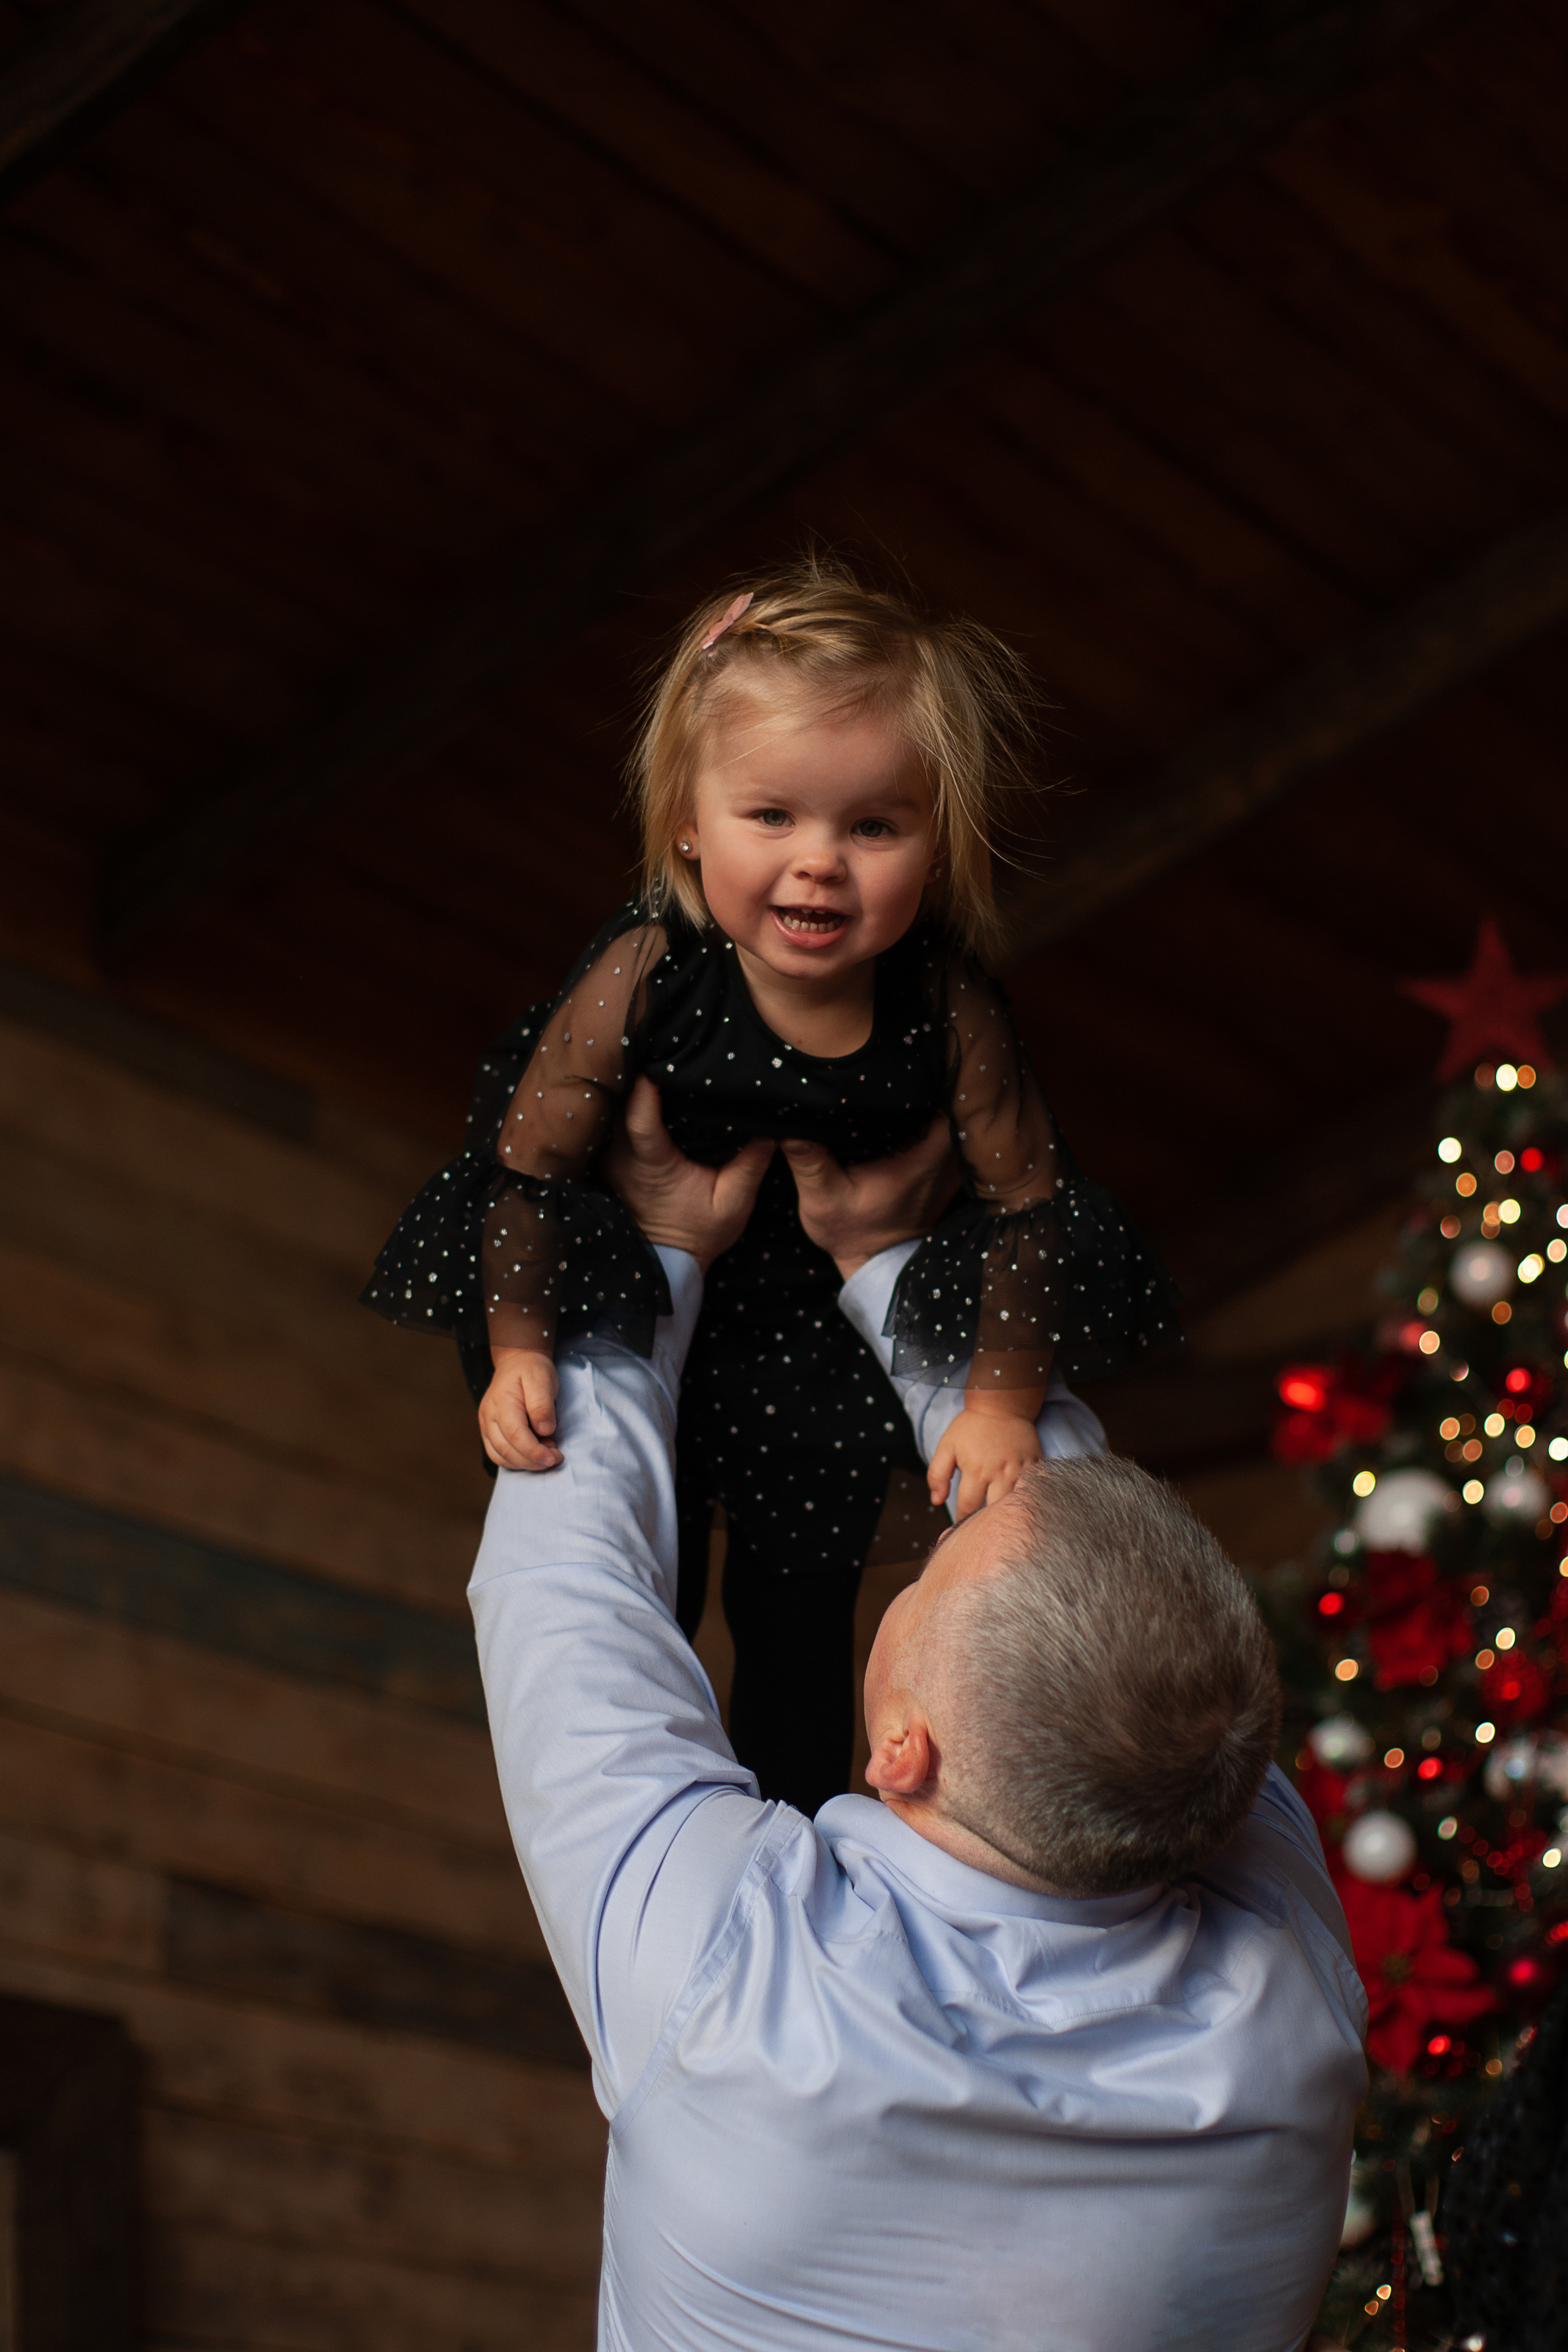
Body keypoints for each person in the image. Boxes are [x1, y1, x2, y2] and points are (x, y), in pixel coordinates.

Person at [468, 1080, 1368, 2350]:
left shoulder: (733, 1981)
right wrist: (893, 1267)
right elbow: (1102, 1568)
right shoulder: (1283, 2014)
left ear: (904, 1750)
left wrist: (662, 1246)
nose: (922, 1548)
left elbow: (566, 1588)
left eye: (931, 1569)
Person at [365, 556, 1178, 1814]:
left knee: (798, 1616)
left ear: (934, 841)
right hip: (647, 1291)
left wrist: (1004, 1402)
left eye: (871, 826)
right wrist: (521, 1342)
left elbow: (1028, 1206)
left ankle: (796, 1832)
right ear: (688, 819)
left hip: (824, 1349)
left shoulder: (950, 1006)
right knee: (646, 1574)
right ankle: (667, 1820)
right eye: (773, 818)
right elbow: (529, 1161)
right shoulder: (647, 967)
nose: (819, 865)